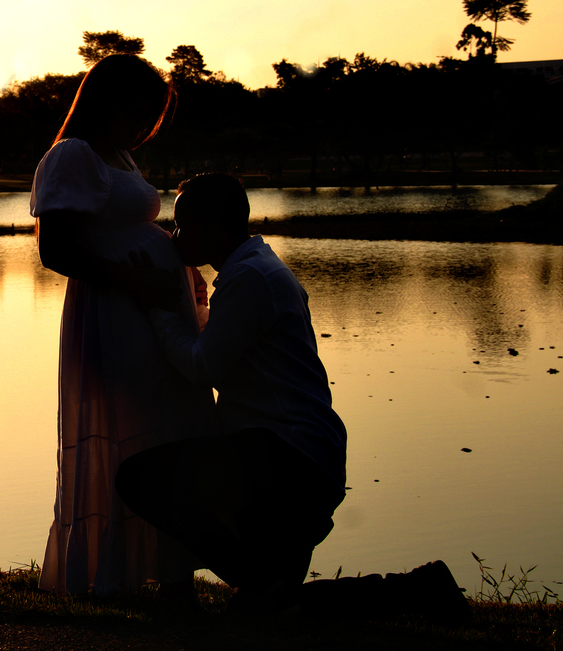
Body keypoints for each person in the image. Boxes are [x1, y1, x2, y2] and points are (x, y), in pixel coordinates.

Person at [116, 173, 468, 622]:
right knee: (276, 608)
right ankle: (423, 589)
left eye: (183, 225)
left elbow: (204, 367)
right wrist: (199, 309)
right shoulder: (257, 268)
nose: (176, 236)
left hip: (285, 460)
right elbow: (225, 348)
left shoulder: (249, 278)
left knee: (139, 479)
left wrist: (159, 309)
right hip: (306, 459)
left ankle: (264, 583)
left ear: (209, 227)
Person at [30, 54, 219, 595]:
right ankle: (116, 575)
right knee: (136, 433)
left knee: (174, 428)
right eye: (136, 112)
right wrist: (134, 282)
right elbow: (56, 249)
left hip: (150, 311)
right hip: (116, 316)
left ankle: (173, 577)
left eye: (150, 117)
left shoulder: (119, 156)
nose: (142, 127)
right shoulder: (73, 154)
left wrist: (179, 276)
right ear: (105, 103)